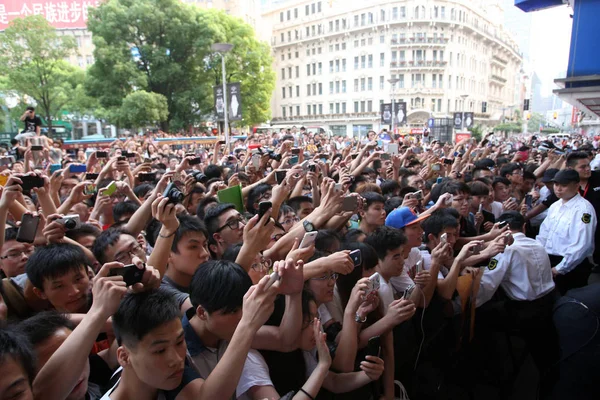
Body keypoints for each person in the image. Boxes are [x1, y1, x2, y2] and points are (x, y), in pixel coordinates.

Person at [537, 169, 597, 294]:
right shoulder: (555, 206)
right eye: (556, 184)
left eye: (563, 185)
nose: (558, 189)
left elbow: (582, 245)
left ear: (576, 186)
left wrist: (560, 269)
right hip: (550, 260)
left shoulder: (583, 209)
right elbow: (544, 233)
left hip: (571, 265)